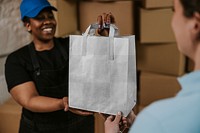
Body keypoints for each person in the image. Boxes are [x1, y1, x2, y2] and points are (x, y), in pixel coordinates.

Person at [4, 0, 115, 132]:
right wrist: (63, 103)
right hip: (40, 128)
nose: (47, 21)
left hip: (80, 125)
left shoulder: (72, 44)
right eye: (40, 18)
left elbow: (101, 63)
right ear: (28, 25)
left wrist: (106, 38)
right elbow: (29, 99)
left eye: (50, 16)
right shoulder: (17, 59)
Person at [104, 0, 200, 132]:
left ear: (195, 24)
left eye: (174, 10)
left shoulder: (156, 120)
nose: (172, 21)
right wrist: (139, 124)